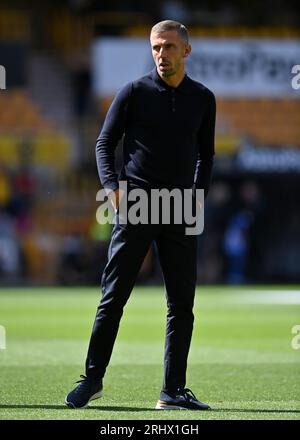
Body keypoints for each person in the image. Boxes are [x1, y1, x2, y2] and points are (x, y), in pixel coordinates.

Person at [65, 19, 216, 410]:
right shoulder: (133, 92)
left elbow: (207, 154)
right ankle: (92, 379)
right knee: (113, 297)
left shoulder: (203, 98)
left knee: (182, 303)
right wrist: (112, 188)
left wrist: (198, 195)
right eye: (155, 47)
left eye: (168, 46)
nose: (161, 54)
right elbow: (104, 143)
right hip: (136, 204)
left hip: (181, 208)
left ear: (186, 50)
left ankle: (172, 391)